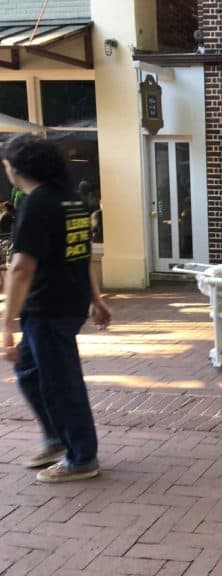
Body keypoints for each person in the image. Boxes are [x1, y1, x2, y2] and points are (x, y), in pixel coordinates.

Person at [1, 133, 111, 483]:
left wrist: (6, 325)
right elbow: (82, 255)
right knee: (30, 371)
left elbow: (21, 268)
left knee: (61, 384)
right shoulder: (72, 200)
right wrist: (96, 299)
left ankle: (81, 457)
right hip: (67, 303)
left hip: (48, 309)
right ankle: (56, 438)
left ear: (15, 169)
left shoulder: (38, 204)